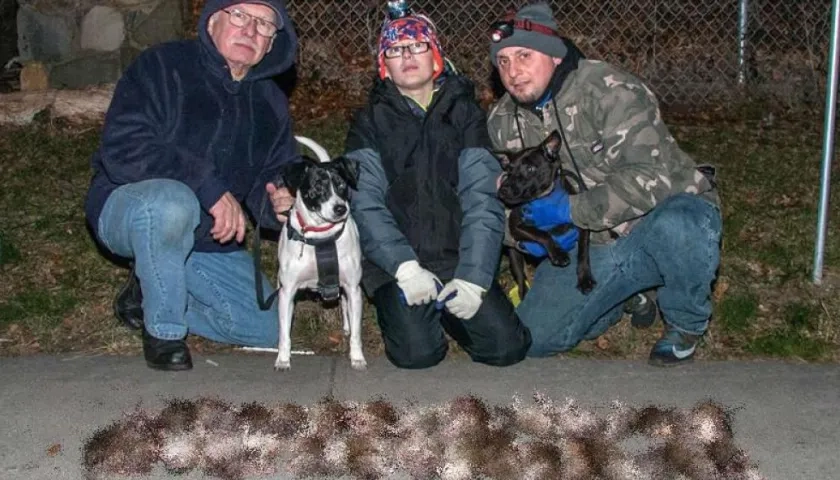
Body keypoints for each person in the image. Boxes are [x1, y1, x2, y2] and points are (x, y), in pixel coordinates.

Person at [486, 2, 721, 366]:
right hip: (590, 247)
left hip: (652, 223)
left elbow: (650, 176)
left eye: (524, 56)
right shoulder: (503, 120)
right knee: (533, 338)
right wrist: (521, 235)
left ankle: (684, 323)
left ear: (554, 56)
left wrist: (572, 210)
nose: (513, 72)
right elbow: (497, 202)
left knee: (683, 222)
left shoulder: (609, 88)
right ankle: (623, 297)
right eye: (503, 62)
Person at [84, 0, 299, 371]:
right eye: (240, 16)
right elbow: (124, 148)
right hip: (131, 207)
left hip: (204, 240)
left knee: (268, 326)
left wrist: (281, 202)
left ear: (271, 44)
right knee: (173, 202)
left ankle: (148, 289)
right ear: (212, 21)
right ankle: (164, 332)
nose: (250, 30)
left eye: (264, 25)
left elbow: (274, 175)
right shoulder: (163, 66)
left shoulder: (270, 100)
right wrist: (208, 186)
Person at [344, 2, 532, 369]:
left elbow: (482, 197)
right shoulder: (368, 122)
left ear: (436, 59)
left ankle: (452, 308)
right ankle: (424, 314)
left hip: (455, 259)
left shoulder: (466, 115)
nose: (407, 56)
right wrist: (404, 268)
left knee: (506, 349)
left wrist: (474, 279)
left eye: (417, 46)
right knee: (417, 355)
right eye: (395, 50)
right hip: (396, 267)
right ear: (385, 66)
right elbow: (365, 203)